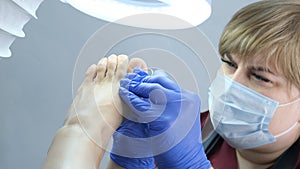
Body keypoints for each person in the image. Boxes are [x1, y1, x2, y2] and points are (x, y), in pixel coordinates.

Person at [42, 0, 300, 168]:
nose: (231, 85)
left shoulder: (183, 149)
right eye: (229, 64)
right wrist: (128, 159)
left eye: (260, 77)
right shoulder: (187, 130)